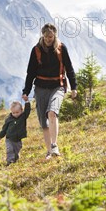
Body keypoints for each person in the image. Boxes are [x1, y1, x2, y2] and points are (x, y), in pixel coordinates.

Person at [22, 23, 77, 160]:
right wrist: (26, 90)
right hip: (40, 88)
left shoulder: (61, 48)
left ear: (55, 35)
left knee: (52, 113)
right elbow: (31, 72)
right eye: (46, 37)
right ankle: (49, 152)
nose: (48, 39)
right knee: (43, 122)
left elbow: (69, 69)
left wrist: (74, 87)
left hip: (57, 86)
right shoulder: (36, 50)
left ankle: (54, 145)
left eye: (51, 37)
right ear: (42, 35)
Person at [0, 100, 31, 166]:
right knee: (9, 150)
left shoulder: (23, 117)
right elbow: (4, 129)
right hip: (9, 139)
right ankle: (9, 162)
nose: (15, 114)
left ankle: (15, 159)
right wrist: (0, 136)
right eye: (13, 113)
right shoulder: (9, 119)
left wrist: (27, 102)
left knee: (16, 150)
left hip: (18, 139)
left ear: (21, 110)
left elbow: (27, 111)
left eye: (17, 112)